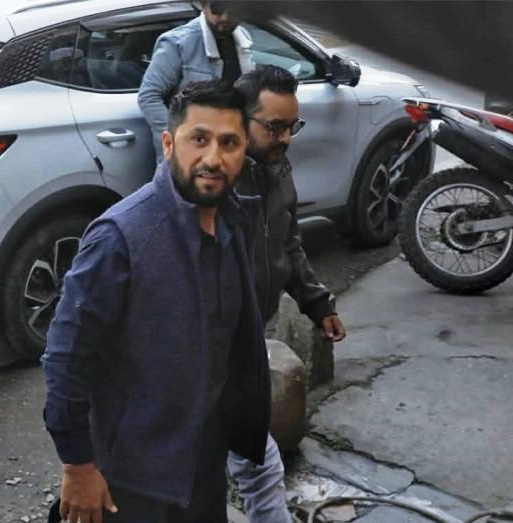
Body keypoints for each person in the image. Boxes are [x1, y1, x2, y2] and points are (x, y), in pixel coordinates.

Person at [42, 80, 270, 523]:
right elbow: (66, 359)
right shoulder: (121, 236)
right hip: (131, 479)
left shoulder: (235, 220)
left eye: (229, 143)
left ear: (244, 151)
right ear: (168, 144)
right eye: (198, 139)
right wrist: (78, 466)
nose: (213, 158)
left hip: (203, 466)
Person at [227, 65, 348, 523]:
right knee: (241, 462)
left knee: (255, 463)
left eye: (291, 127)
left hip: (251, 338)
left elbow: (287, 241)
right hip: (208, 347)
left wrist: (317, 302)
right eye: (274, 127)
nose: (285, 139)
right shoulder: (216, 179)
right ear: (241, 120)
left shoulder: (277, 167)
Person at [138, 0, 254, 160]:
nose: (226, 17)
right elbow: (148, 96)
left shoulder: (243, 39)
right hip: (186, 154)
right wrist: (180, 137)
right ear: (203, 4)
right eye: (218, 8)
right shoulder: (178, 42)